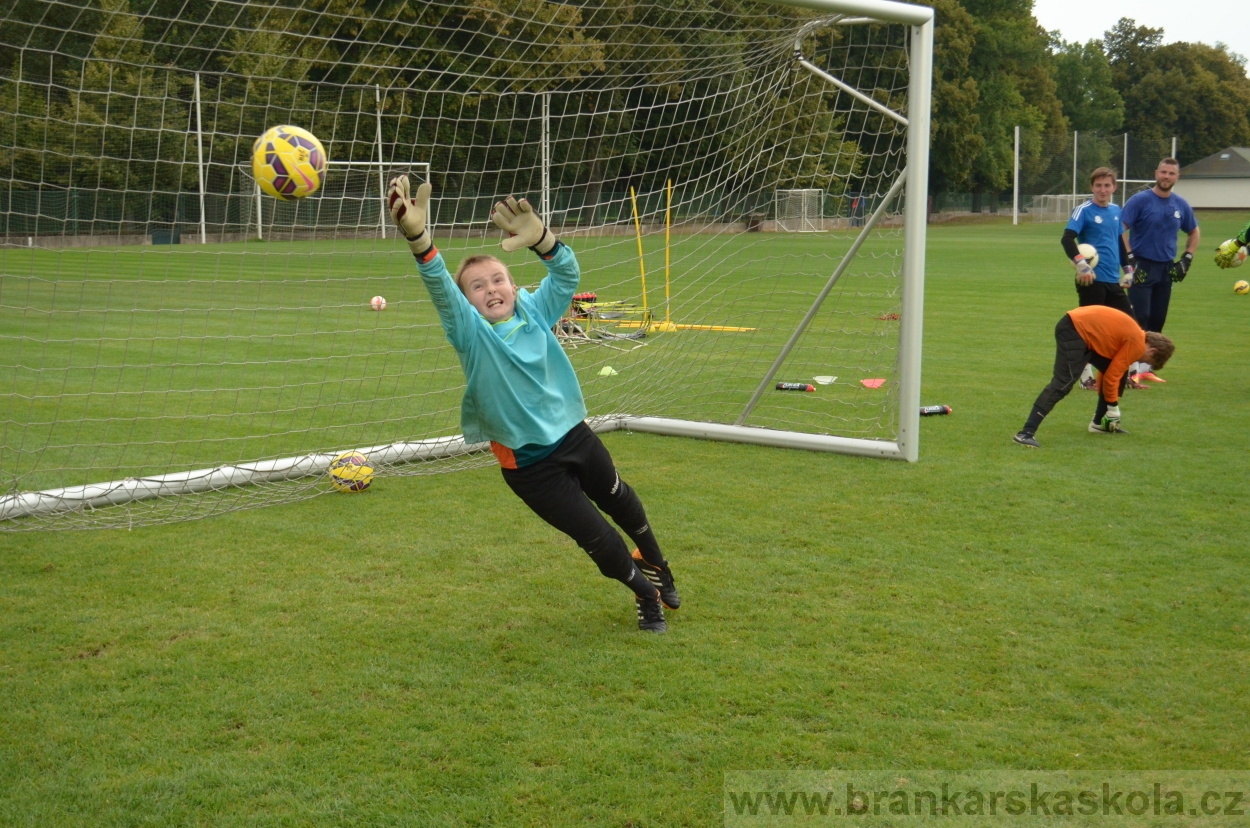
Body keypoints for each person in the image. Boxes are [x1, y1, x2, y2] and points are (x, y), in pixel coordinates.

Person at [386, 175, 679, 633]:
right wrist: (420, 241)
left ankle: (659, 563)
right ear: (468, 304)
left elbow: (567, 276)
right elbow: (441, 289)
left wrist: (543, 240)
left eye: (498, 279)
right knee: (598, 539)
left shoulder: (535, 311)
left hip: (574, 435)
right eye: (477, 287)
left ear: (513, 284)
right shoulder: (471, 335)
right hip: (528, 464)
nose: (491, 289)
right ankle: (647, 595)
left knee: (619, 500)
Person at [1013, 305, 1174, 449]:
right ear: (1152, 351)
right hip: (1074, 329)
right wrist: (1113, 408)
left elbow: (1110, 372)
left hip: (1079, 328)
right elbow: (1112, 376)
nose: (1139, 360)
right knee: (1063, 382)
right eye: (1147, 360)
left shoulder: (1135, 335)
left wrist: (1111, 406)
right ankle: (1025, 433)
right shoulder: (1137, 343)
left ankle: (1098, 424)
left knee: (1121, 373)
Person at [1120, 158, 1200, 383]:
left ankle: (1145, 369)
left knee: (1157, 319)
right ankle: (1130, 369)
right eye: (1163, 172)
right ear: (1156, 173)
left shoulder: (1180, 205)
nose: (1166, 177)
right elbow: (1120, 229)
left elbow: (1194, 232)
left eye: (1171, 173)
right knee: (1139, 318)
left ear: (1177, 177)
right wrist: (1130, 260)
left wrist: (1187, 258)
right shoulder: (1140, 200)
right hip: (1141, 266)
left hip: (1166, 269)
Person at [1059, 167, 1137, 389]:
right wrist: (1082, 264)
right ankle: (1086, 379)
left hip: (1113, 281)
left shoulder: (1115, 210)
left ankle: (1124, 375)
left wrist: (1129, 270)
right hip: (1090, 281)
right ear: (1092, 187)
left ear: (1114, 187)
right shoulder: (1082, 210)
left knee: (1130, 326)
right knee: (1090, 331)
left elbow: (1120, 243)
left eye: (1107, 185)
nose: (1103, 190)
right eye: (1098, 185)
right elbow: (1067, 238)